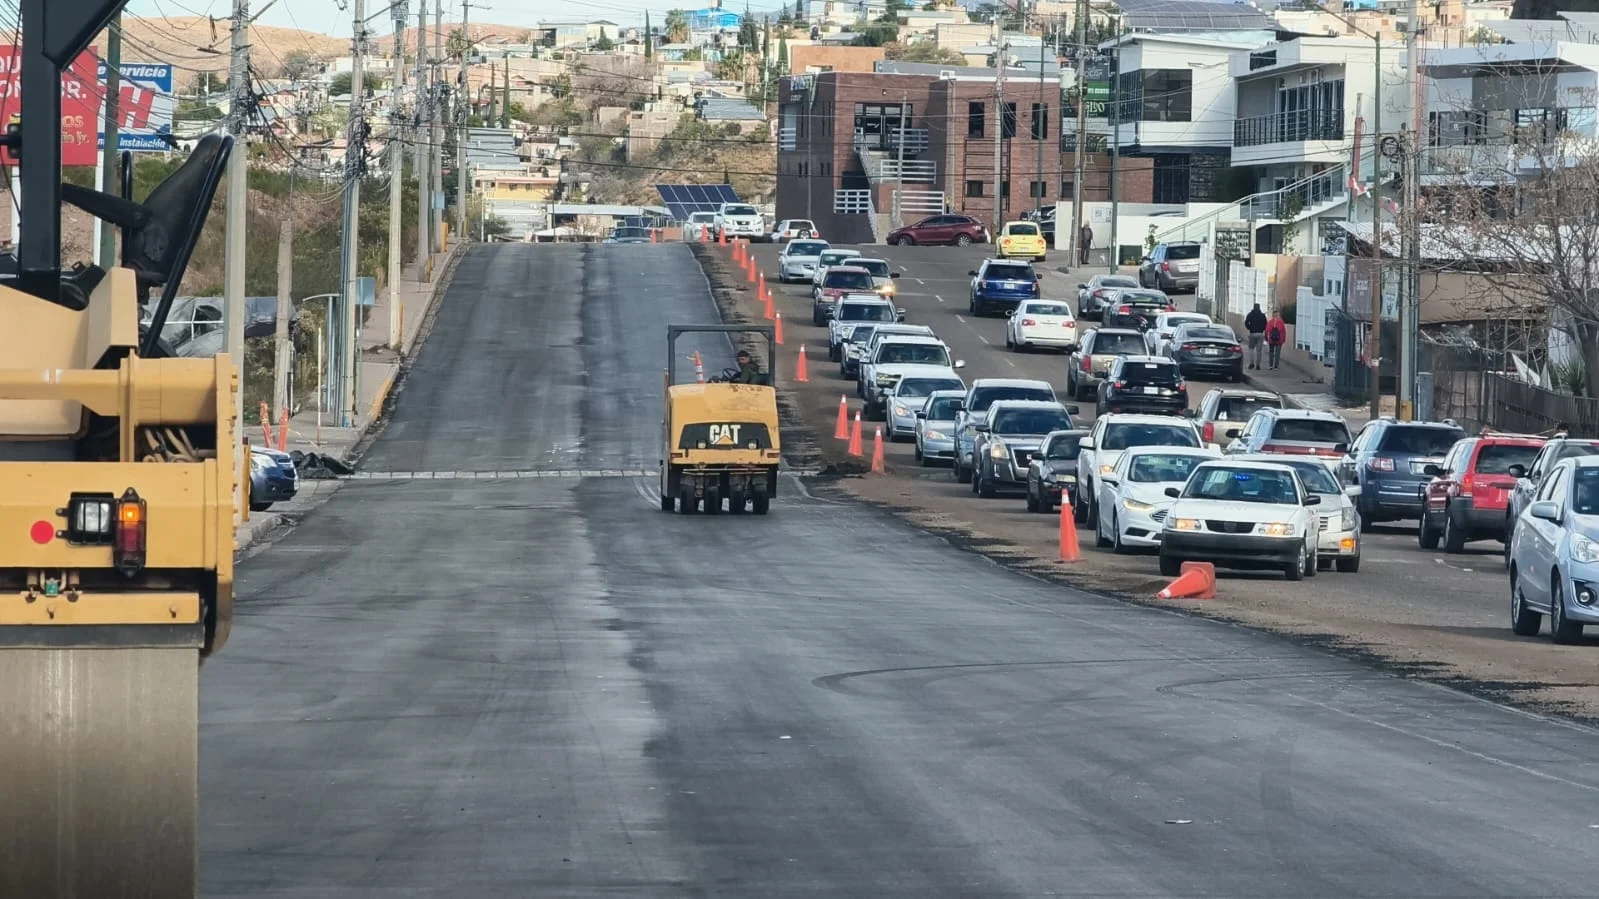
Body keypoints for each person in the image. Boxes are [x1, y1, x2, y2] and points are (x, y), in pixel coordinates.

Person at [1244, 303, 1268, 370]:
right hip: (1260, 334)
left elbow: (1246, 323)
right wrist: (1262, 329)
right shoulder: (1262, 316)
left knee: (1251, 349)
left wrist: (1250, 328)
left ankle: (1251, 363)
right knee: (1259, 350)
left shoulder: (1250, 315)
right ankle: (1258, 365)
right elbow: (1265, 324)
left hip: (1252, 333)